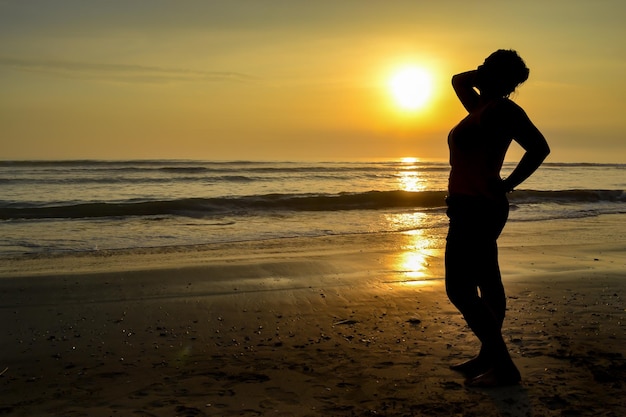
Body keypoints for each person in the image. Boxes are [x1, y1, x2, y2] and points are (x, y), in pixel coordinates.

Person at [445, 49, 550, 387]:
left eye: (487, 65)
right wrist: (486, 73)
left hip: (479, 207)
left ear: (497, 75)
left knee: (459, 289)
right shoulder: (482, 108)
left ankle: (503, 366)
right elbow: (457, 81)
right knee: (487, 283)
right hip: (468, 206)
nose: (479, 69)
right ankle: (489, 357)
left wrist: (508, 184)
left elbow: (539, 148)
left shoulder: (503, 110)